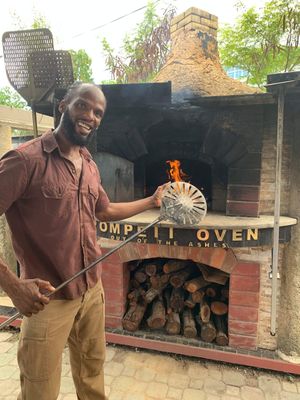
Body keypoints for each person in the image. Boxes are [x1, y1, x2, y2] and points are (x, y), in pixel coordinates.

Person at [0, 81, 163, 400]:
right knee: (39, 391)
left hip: (92, 292)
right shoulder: (24, 160)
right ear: (63, 105)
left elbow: (105, 210)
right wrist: (12, 286)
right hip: (48, 300)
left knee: (92, 377)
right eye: (83, 106)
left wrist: (152, 201)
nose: (91, 115)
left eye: (98, 112)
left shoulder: (88, 163)